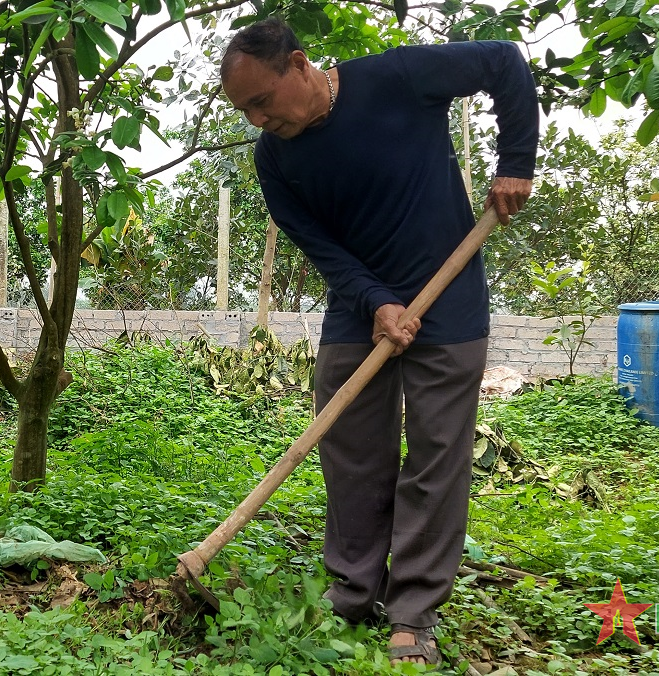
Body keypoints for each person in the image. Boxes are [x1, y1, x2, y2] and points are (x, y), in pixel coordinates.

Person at [219, 19, 539, 668]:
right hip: (358, 307)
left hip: (448, 301)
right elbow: (318, 244)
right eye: (244, 110)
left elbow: (504, 62)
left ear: (299, 65)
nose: (257, 120)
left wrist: (515, 165)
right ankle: (353, 590)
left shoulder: (396, 77)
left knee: (437, 455)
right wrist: (375, 301)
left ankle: (414, 611)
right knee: (351, 452)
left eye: (262, 101)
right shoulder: (274, 157)